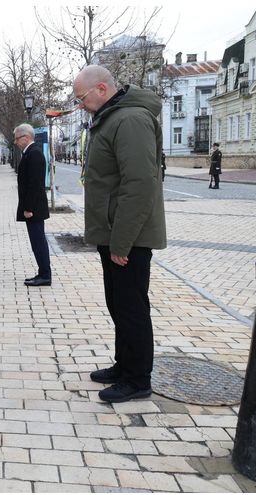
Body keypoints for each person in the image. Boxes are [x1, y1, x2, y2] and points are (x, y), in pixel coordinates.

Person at [72, 65, 166, 403]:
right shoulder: (112, 117)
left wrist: (121, 241)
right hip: (114, 234)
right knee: (118, 302)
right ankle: (124, 365)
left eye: (81, 97)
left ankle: (138, 379)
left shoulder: (130, 120)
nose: (79, 104)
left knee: (131, 307)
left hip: (128, 238)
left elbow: (139, 186)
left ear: (101, 88)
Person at [14, 124, 51, 287]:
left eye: (16, 138)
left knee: (38, 242)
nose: (15, 142)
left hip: (34, 208)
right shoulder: (30, 152)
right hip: (33, 207)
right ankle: (42, 272)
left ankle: (45, 275)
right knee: (37, 242)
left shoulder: (34, 154)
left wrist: (28, 208)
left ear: (26, 137)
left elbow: (34, 184)